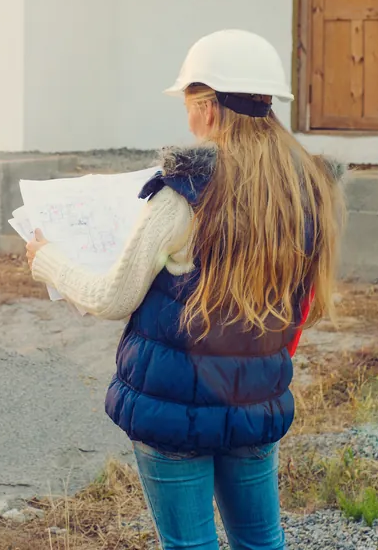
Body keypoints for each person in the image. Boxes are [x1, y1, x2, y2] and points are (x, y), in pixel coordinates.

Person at [25, 29, 345, 550]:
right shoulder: (306, 186)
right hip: (255, 400)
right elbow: (302, 307)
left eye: (191, 105)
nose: (189, 119)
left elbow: (113, 298)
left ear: (210, 108)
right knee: (262, 541)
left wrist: (49, 262)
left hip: (170, 406)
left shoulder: (187, 193)